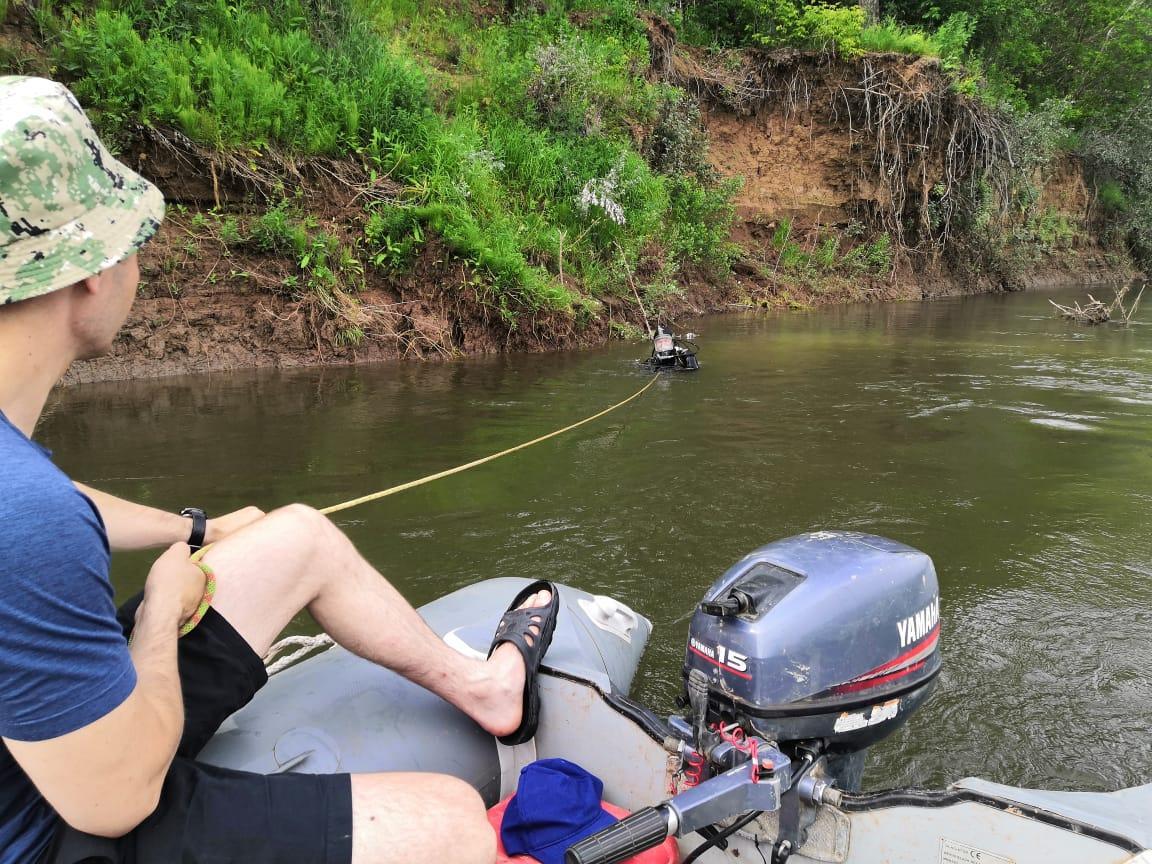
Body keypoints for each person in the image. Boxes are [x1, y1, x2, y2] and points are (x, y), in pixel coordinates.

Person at [0, 75, 559, 864]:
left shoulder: (19, 488)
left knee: (300, 537)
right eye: (130, 240)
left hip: (46, 750)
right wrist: (161, 613)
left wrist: (198, 529)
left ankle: (488, 691)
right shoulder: (24, 519)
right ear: (89, 269)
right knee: (453, 825)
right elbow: (115, 800)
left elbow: (50, 498)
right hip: (55, 825)